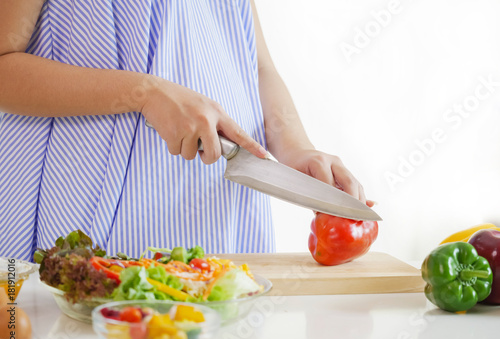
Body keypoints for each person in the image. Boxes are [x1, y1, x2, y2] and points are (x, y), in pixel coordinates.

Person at [0, 0, 372, 261]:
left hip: (222, 215)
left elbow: (256, 65)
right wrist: (146, 93)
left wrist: (295, 146)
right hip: (84, 209)